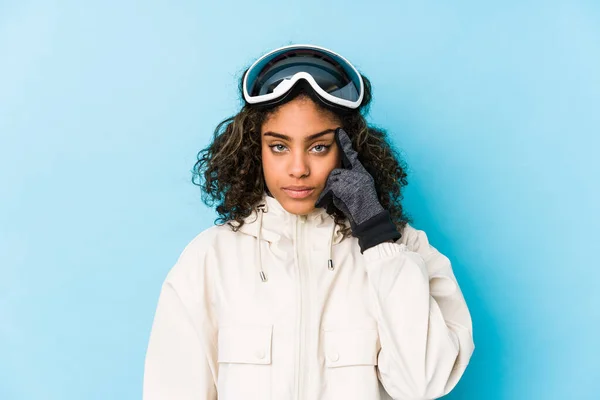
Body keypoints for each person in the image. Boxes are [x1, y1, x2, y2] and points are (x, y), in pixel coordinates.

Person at [143, 44, 475, 400]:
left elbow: (423, 384)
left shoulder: (403, 250)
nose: (298, 168)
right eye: (279, 147)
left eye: (318, 147)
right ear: (254, 149)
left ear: (350, 150)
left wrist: (377, 237)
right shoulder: (209, 259)